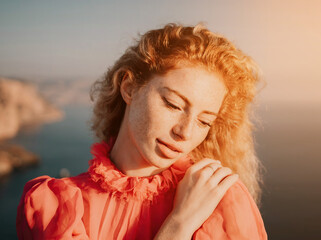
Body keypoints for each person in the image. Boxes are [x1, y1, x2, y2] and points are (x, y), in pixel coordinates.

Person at [16, 23, 267, 240]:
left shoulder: (220, 201)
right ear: (129, 88)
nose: (185, 132)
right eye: (173, 104)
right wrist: (178, 226)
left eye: (204, 121)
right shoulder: (55, 208)